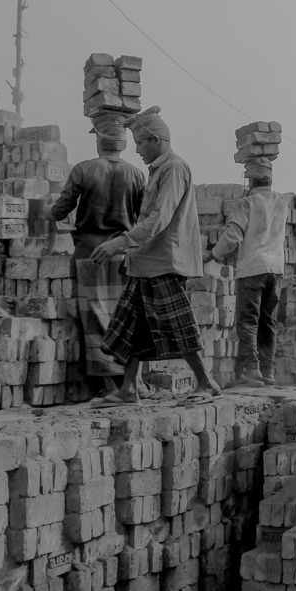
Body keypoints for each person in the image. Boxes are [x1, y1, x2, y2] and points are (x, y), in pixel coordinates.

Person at [88, 106, 222, 407]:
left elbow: (159, 218)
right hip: (146, 262)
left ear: (156, 140)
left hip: (165, 260)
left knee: (178, 324)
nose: (137, 150)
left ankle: (206, 382)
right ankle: (129, 389)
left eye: (140, 143)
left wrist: (120, 243)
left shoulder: (174, 168)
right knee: (133, 325)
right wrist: (130, 250)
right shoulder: (159, 170)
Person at [49, 122, 146, 393]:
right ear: (123, 145)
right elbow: (143, 218)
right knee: (124, 318)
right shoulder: (137, 174)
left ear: (98, 143)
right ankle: (131, 382)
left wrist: (47, 213)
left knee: (94, 319)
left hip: (90, 254)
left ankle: (108, 384)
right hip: (122, 255)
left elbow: (62, 208)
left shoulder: (84, 169)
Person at [203, 159, 288, 388]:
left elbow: (233, 236)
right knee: (268, 322)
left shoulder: (245, 204)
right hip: (276, 270)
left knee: (248, 320)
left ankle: (253, 369)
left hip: (252, 268)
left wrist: (212, 256)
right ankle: (268, 370)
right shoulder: (282, 202)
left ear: (250, 180)